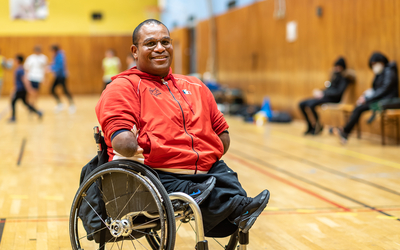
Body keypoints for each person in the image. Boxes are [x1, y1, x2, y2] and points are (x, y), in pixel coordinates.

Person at [95, 19, 270, 236]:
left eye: (165, 42)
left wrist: (210, 148)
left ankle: (233, 208)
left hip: (205, 169)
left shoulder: (195, 86)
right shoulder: (123, 87)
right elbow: (119, 134)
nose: (160, 48)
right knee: (212, 191)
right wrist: (131, 144)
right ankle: (224, 204)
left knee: (226, 177)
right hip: (158, 170)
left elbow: (221, 131)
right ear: (135, 50)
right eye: (150, 43)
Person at [335, 52, 399, 144]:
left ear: (381, 61)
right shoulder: (380, 73)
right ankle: (345, 131)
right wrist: (365, 96)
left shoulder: (389, 71)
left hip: (388, 100)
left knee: (359, 108)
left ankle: (345, 131)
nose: (374, 66)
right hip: (380, 99)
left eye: (375, 63)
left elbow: (384, 89)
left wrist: (369, 99)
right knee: (358, 107)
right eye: (372, 65)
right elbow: (375, 89)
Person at [299, 57, 353, 135]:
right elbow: (329, 88)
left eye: (339, 66)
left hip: (333, 99)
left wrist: (324, 94)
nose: (337, 68)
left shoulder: (344, 79)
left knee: (311, 105)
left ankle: (317, 127)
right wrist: (320, 92)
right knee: (302, 104)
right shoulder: (334, 76)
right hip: (325, 97)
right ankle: (310, 126)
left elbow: (338, 92)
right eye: (336, 66)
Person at [9, 55, 42, 122]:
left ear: (18, 61)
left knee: (13, 102)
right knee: (25, 103)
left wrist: (29, 89)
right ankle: (38, 112)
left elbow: (25, 80)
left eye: (15, 60)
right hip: (21, 89)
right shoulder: (20, 69)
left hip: (20, 89)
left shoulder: (20, 70)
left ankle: (13, 117)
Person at [49, 45, 75, 113]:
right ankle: (59, 104)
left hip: (62, 76)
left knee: (65, 90)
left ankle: (72, 105)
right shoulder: (55, 56)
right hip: (57, 76)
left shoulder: (60, 56)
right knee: (52, 89)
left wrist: (51, 68)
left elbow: (59, 66)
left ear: (55, 50)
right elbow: (54, 64)